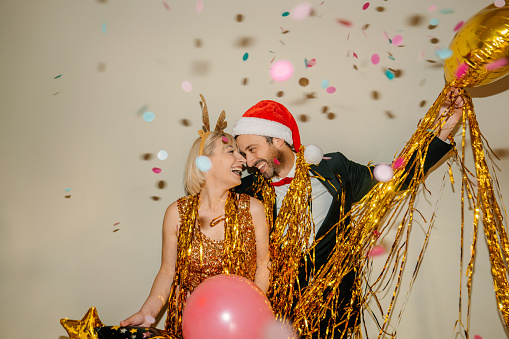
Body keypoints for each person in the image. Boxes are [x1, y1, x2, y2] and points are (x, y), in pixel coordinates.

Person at [232, 89, 464, 338]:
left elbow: (396, 178)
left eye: (252, 149)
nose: (248, 160)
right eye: (244, 153)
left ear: (278, 139)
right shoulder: (247, 191)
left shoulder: (334, 170)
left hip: (334, 313)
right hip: (275, 316)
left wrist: (443, 130)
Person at [119, 97, 270, 338]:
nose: (242, 160)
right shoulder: (176, 214)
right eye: (231, 151)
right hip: (187, 328)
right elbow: (167, 273)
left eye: (241, 154)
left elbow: (264, 266)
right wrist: (147, 315)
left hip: (239, 329)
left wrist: (252, 312)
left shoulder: (254, 209)